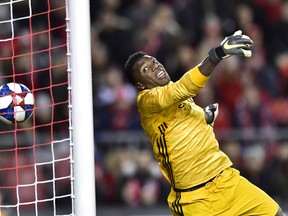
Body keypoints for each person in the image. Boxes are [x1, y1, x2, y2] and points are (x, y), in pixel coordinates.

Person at [124, 30, 284, 215]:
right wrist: (217, 54)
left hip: (226, 180)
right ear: (140, 85)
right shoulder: (147, 101)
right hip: (195, 198)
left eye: (153, 61)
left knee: (274, 213)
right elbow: (185, 88)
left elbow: (181, 121)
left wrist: (205, 118)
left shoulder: (175, 95)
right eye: (146, 69)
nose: (154, 65)